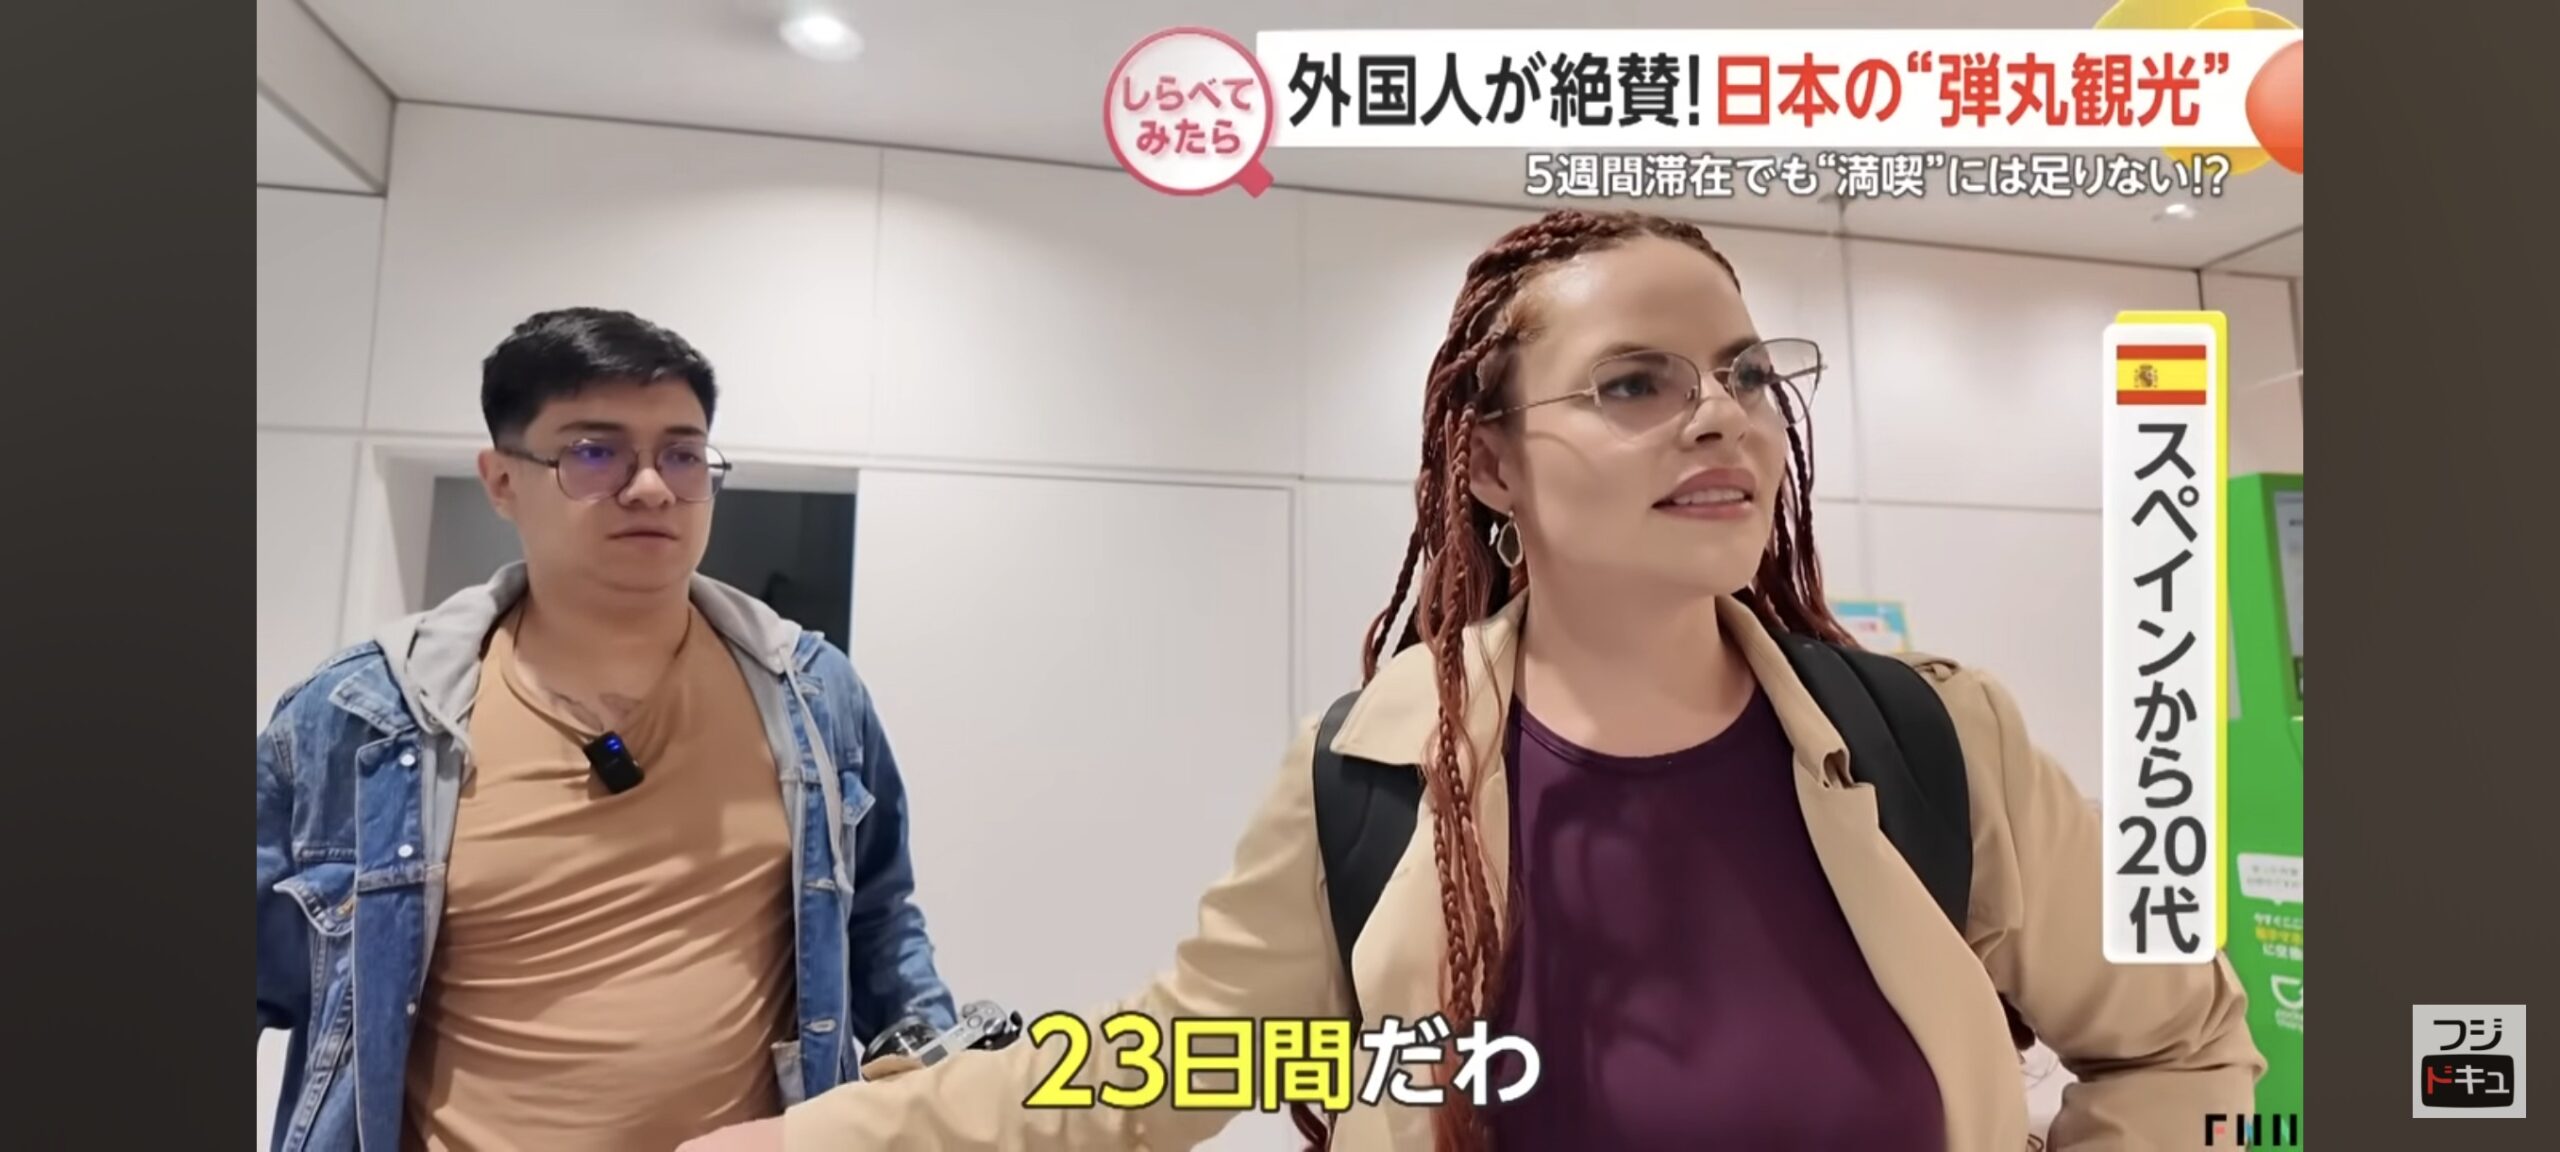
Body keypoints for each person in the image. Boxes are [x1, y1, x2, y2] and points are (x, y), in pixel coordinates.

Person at [685, 210, 2263, 1152]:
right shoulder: (1376, 778)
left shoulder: (1934, 739)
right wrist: (833, 1140)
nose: (1721, 417)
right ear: (1492, 463)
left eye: (1745, 375)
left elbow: (2185, 1044)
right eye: (1636, 384)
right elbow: (1166, 1069)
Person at [254, 308, 955, 1152]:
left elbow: (878, 925)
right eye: (595, 453)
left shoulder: (813, 694)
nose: (651, 487)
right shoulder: (362, 718)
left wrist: (946, 1094)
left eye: (683, 455)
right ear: (502, 481)